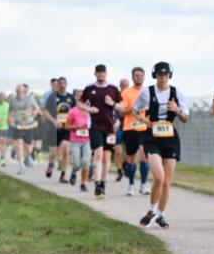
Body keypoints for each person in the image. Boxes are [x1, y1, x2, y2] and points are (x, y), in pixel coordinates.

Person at [134, 62, 190, 228]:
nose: (163, 77)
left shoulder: (176, 92)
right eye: (160, 74)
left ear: (169, 75)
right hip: (152, 137)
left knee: (167, 181)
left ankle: (161, 215)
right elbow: (135, 110)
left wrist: (177, 110)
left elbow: (185, 118)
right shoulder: (147, 91)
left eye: (165, 74)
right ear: (155, 75)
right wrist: (145, 121)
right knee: (159, 177)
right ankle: (151, 210)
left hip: (170, 137)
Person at [80, 64, 122, 198]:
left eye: (103, 72)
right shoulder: (89, 88)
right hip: (95, 126)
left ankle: (103, 183)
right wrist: (89, 109)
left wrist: (112, 104)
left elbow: (122, 106)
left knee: (107, 157)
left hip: (109, 128)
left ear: (106, 73)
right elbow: (80, 103)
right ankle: (97, 184)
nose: (101, 74)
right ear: (95, 74)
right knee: (98, 154)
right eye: (98, 72)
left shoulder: (113, 89)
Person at [117, 67, 151, 196]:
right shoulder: (126, 92)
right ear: (133, 77)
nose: (139, 77)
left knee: (144, 154)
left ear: (144, 77)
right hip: (130, 128)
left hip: (144, 128)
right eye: (136, 75)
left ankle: (144, 185)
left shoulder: (148, 91)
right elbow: (122, 111)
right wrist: (133, 108)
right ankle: (131, 185)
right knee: (131, 158)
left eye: (141, 75)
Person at [43, 77, 76, 183]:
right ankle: (51, 164)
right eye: (60, 83)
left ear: (67, 84)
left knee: (66, 151)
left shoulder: (71, 97)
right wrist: (53, 121)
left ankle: (63, 175)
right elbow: (45, 111)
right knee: (54, 151)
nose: (62, 85)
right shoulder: (52, 97)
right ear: (57, 85)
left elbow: (75, 112)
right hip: (54, 128)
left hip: (66, 128)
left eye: (63, 83)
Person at [64, 89, 92, 193]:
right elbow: (66, 126)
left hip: (87, 140)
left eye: (83, 96)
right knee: (77, 164)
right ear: (75, 97)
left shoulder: (90, 111)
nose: (81, 98)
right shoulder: (73, 111)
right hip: (75, 140)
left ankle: (83, 183)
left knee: (86, 162)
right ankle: (74, 172)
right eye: (79, 96)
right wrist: (75, 127)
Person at [8, 84, 40, 174]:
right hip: (18, 126)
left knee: (29, 148)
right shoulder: (12, 100)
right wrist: (10, 118)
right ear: (16, 92)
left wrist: (30, 114)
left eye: (21, 92)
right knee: (18, 146)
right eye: (18, 92)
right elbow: (10, 111)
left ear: (24, 92)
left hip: (29, 126)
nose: (19, 94)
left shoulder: (30, 99)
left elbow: (37, 109)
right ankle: (21, 166)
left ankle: (27, 157)